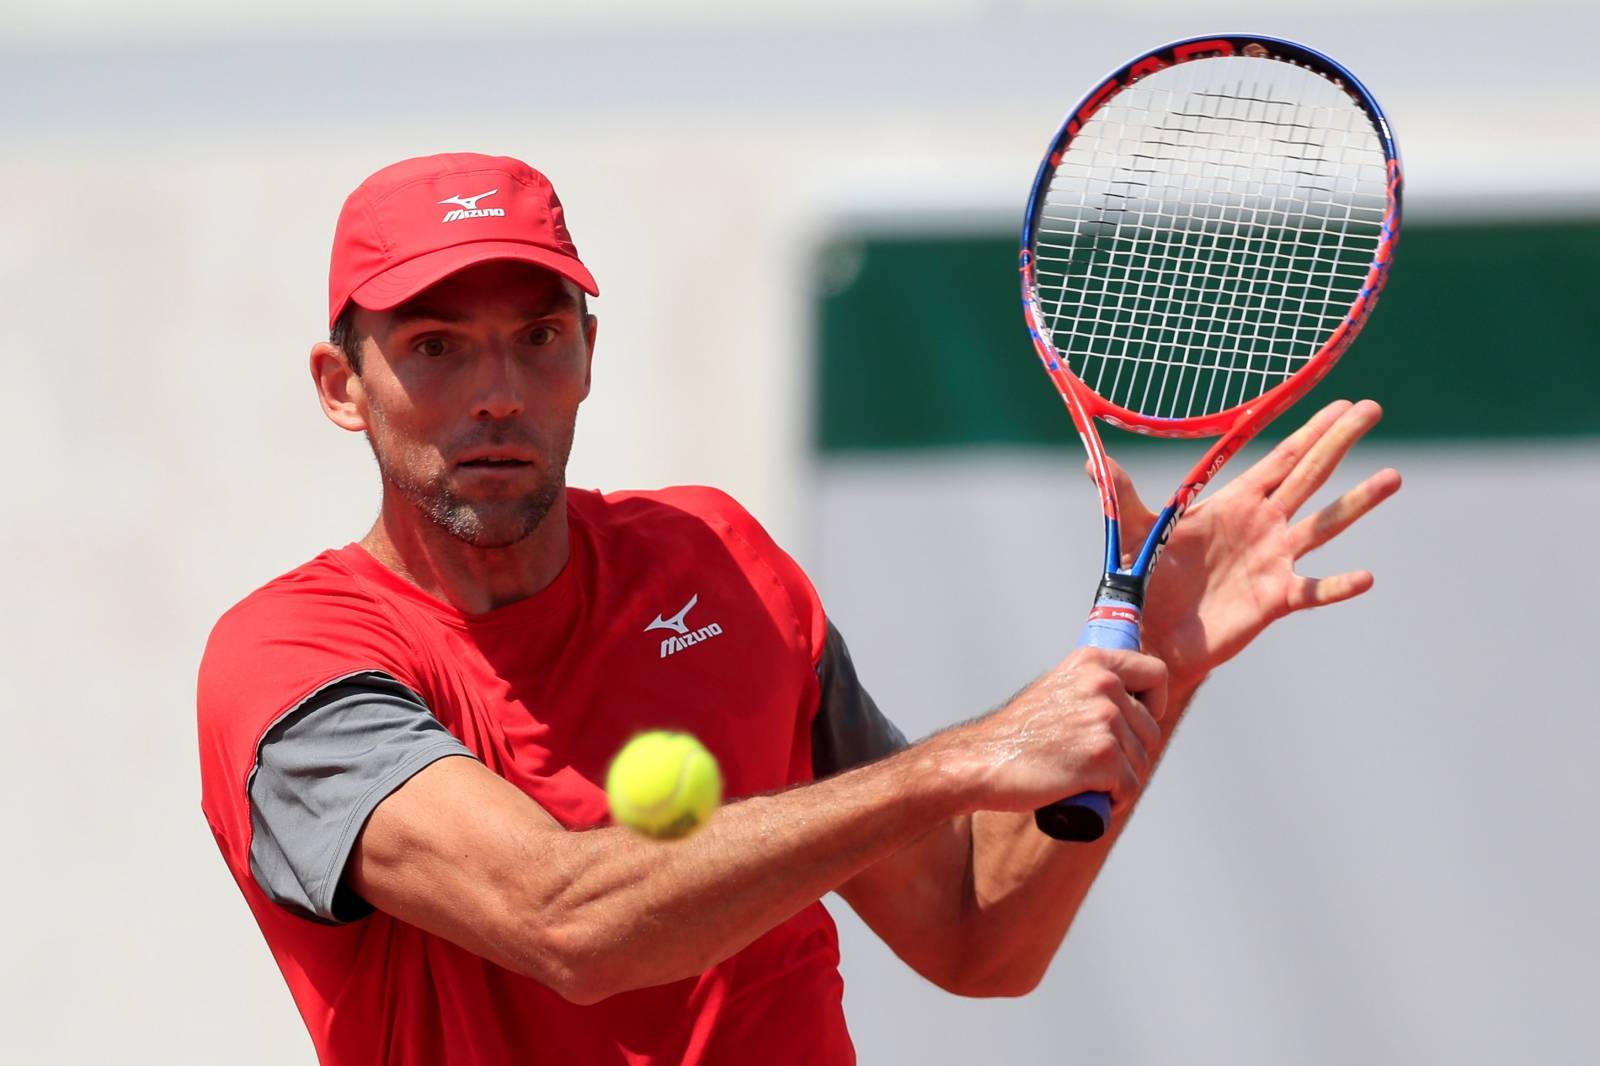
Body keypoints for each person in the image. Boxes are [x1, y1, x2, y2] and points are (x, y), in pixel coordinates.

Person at [196, 152, 1401, 1066]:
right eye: (437, 347)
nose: (499, 393)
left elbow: (977, 935)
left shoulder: (715, 560)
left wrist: (1161, 663)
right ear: (341, 386)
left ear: (587, 357)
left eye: (538, 338)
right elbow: (564, 919)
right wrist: (963, 761)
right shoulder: (293, 660)